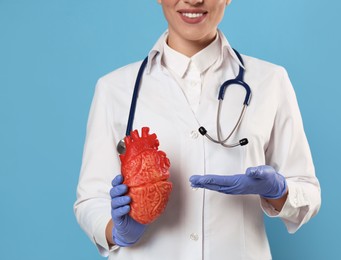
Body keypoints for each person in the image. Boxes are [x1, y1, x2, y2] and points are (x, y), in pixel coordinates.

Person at [74, 0, 321, 259]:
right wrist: (116, 231)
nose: (193, 0)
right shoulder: (115, 89)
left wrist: (279, 192)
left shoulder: (270, 81)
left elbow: (308, 194)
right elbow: (91, 199)